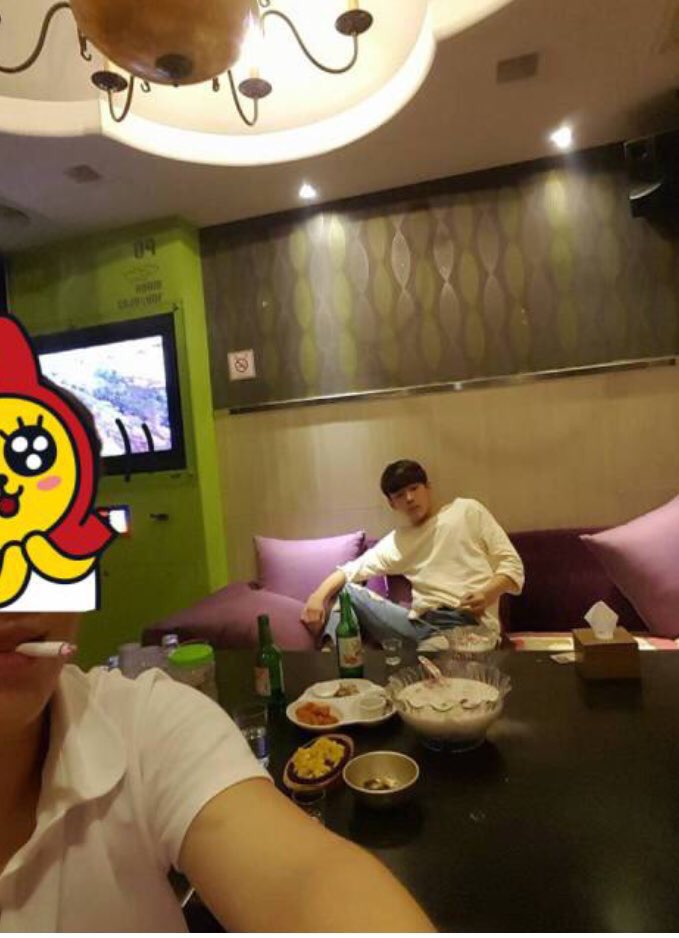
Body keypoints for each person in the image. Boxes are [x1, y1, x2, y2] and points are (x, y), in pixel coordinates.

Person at [0, 395, 435, 932]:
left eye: (44, 528)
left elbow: (303, 877)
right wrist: (322, 596)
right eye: (399, 493)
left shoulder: (147, 726)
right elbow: (350, 572)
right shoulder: (395, 544)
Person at [301, 460, 524, 650]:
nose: (409, 498)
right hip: (419, 626)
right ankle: (330, 655)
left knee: (434, 658)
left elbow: (512, 565)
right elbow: (350, 571)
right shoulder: (399, 541)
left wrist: (487, 594)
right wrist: (317, 597)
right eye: (400, 495)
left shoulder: (467, 511)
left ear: (428, 488)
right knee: (347, 593)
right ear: (392, 503)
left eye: (414, 488)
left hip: (467, 623)